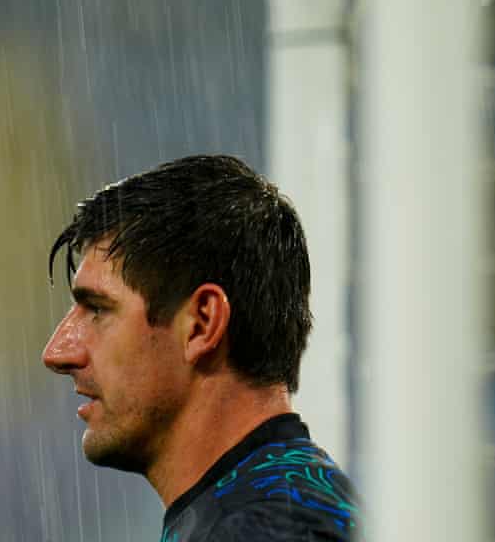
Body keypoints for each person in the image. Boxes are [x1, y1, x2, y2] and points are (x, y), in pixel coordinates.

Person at [41, 155, 359, 541]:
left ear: (202, 324)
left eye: (97, 310)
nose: (58, 352)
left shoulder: (263, 529)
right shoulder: (267, 509)